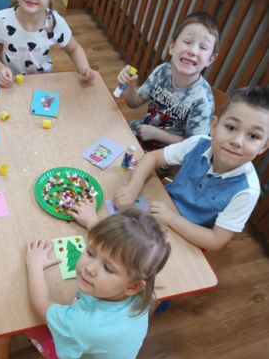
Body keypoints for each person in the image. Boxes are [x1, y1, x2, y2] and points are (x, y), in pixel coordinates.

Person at [25, 208, 171, 359]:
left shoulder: (82, 324)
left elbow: (40, 305)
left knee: (29, 326)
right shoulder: (140, 290)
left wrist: (34, 265)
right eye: (90, 252)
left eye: (108, 268)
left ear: (133, 286)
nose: (89, 268)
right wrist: (92, 222)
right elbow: (115, 250)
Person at [114, 86, 269, 251]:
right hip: (161, 207)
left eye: (254, 136)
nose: (237, 141)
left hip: (190, 238)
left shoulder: (248, 191)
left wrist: (172, 219)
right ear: (214, 126)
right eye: (231, 128)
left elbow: (216, 241)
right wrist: (132, 189)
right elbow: (152, 158)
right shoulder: (198, 143)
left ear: (263, 147)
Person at [116, 12, 220, 151]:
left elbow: (194, 146)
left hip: (167, 156)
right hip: (139, 137)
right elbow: (133, 103)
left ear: (210, 59)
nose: (193, 51)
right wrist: (129, 85)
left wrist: (157, 134)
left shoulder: (202, 102)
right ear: (172, 47)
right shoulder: (162, 71)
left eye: (203, 47)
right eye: (187, 42)